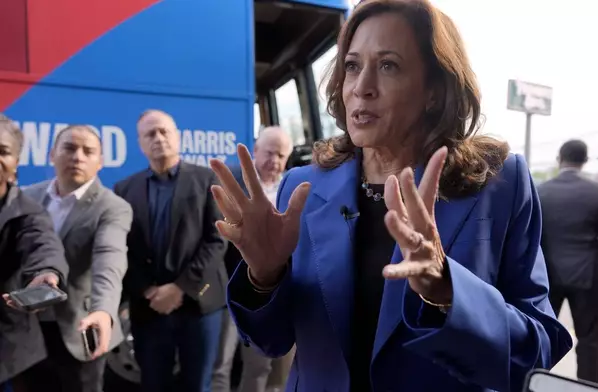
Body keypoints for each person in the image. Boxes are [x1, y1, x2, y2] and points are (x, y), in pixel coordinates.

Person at [210, 1, 572, 391]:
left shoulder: (500, 185)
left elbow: (538, 350)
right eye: (352, 66)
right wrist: (263, 279)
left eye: (388, 65)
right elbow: (271, 342)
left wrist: (447, 289)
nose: (361, 87)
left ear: (434, 90)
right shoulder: (303, 188)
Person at [114, 110, 228, 392]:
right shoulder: (124, 189)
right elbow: (121, 247)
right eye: (150, 134)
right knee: (153, 384)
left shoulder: (208, 179)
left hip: (199, 304)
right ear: (140, 144)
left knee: (198, 385)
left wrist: (178, 289)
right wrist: (145, 290)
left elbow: (217, 239)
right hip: (148, 306)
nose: (158, 138)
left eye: (165, 131)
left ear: (177, 137)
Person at [16, 125, 133, 392]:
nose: (78, 156)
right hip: (27, 331)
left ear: (100, 162)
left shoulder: (113, 207)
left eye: (88, 151)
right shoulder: (27, 197)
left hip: (81, 329)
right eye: (69, 148)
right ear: (51, 154)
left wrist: (103, 311)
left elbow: (110, 260)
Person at [212, 126, 295, 392]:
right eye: (270, 153)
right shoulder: (231, 182)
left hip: (270, 293)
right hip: (225, 286)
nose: (275, 161)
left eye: (281, 156)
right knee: (220, 364)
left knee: (260, 365)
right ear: (256, 150)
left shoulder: (291, 187)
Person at [538, 140, 598, 384]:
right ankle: (587, 388)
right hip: (589, 276)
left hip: (547, 276)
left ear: (560, 158)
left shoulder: (540, 191)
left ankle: (534, 384)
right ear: (585, 160)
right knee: (589, 343)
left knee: (542, 339)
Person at [0, 115, 69, 388]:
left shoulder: (27, 211)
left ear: (15, 163)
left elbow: (42, 244)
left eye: (3, 151)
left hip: (7, 351)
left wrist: (45, 274)